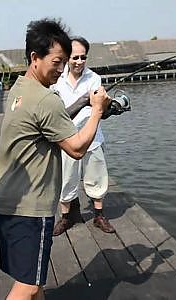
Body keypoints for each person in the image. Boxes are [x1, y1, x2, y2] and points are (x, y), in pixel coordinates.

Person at [0, 18, 110, 300]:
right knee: (28, 286)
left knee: (34, 280)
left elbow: (45, 125)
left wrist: (83, 103)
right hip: (30, 208)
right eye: (57, 62)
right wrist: (96, 111)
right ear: (35, 57)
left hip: (7, 200)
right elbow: (77, 148)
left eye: (66, 62)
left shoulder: (19, 90)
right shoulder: (47, 99)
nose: (62, 69)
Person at [52, 36, 115, 236]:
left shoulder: (94, 78)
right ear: (66, 58)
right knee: (65, 179)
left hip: (92, 137)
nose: (79, 61)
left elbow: (99, 111)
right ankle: (66, 217)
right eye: (74, 57)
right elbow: (58, 114)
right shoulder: (57, 80)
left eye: (83, 57)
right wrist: (83, 101)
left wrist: (108, 108)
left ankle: (99, 215)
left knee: (96, 176)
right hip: (66, 138)